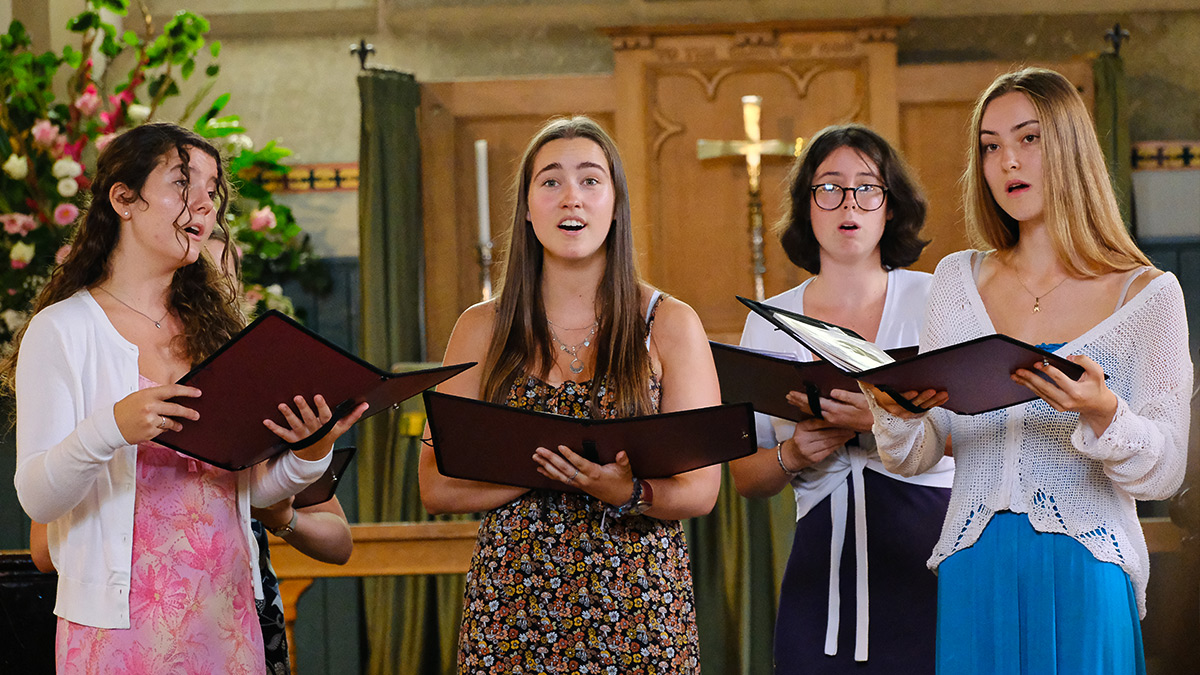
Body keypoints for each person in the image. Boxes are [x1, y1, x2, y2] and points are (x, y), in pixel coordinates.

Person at [4, 122, 366, 673]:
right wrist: (114, 427)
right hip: (119, 625)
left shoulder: (215, 334)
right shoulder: (63, 330)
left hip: (225, 613)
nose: (203, 205)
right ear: (123, 198)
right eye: (181, 183)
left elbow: (247, 490)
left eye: (211, 190)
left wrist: (309, 452)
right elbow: (38, 498)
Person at [864, 67, 1192, 674]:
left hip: (1086, 568)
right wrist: (898, 413)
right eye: (990, 146)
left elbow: (1167, 472)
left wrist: (1105, 413)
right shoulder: (956, 283)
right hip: (974, 564)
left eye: (1028, 139)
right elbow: (919, 453)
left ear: (1069, 145)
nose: (1007, 161)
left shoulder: (1148, 295)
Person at [418, 116, 721, 673]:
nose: (570, 199)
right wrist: (543, 473)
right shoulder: (480, 328)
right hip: (511, 609)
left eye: (590, 180)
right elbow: (435, 483)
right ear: (528, 210)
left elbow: (702, 489)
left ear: (615, 203)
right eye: (550, 182)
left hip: (637, 608)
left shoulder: (670, 323)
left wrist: (627, 492)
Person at [730, 124, 953, 672]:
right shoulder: (768, 326)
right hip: (821, 562)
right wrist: (796, 454)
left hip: (931, 553)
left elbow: (981, 438)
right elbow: (745, 479)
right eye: (829, 188)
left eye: (867, 187)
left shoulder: (940, 299)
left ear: (891, 207)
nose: (847, 204)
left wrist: (886, 423)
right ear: (807, 208)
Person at [204, 221, 356, 675]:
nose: (220, 292)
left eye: (229, 277)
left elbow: (339, 542)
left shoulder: (262, 389)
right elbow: (43, 549)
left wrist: (282, 518)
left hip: (251, 609)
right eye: (205, 277)